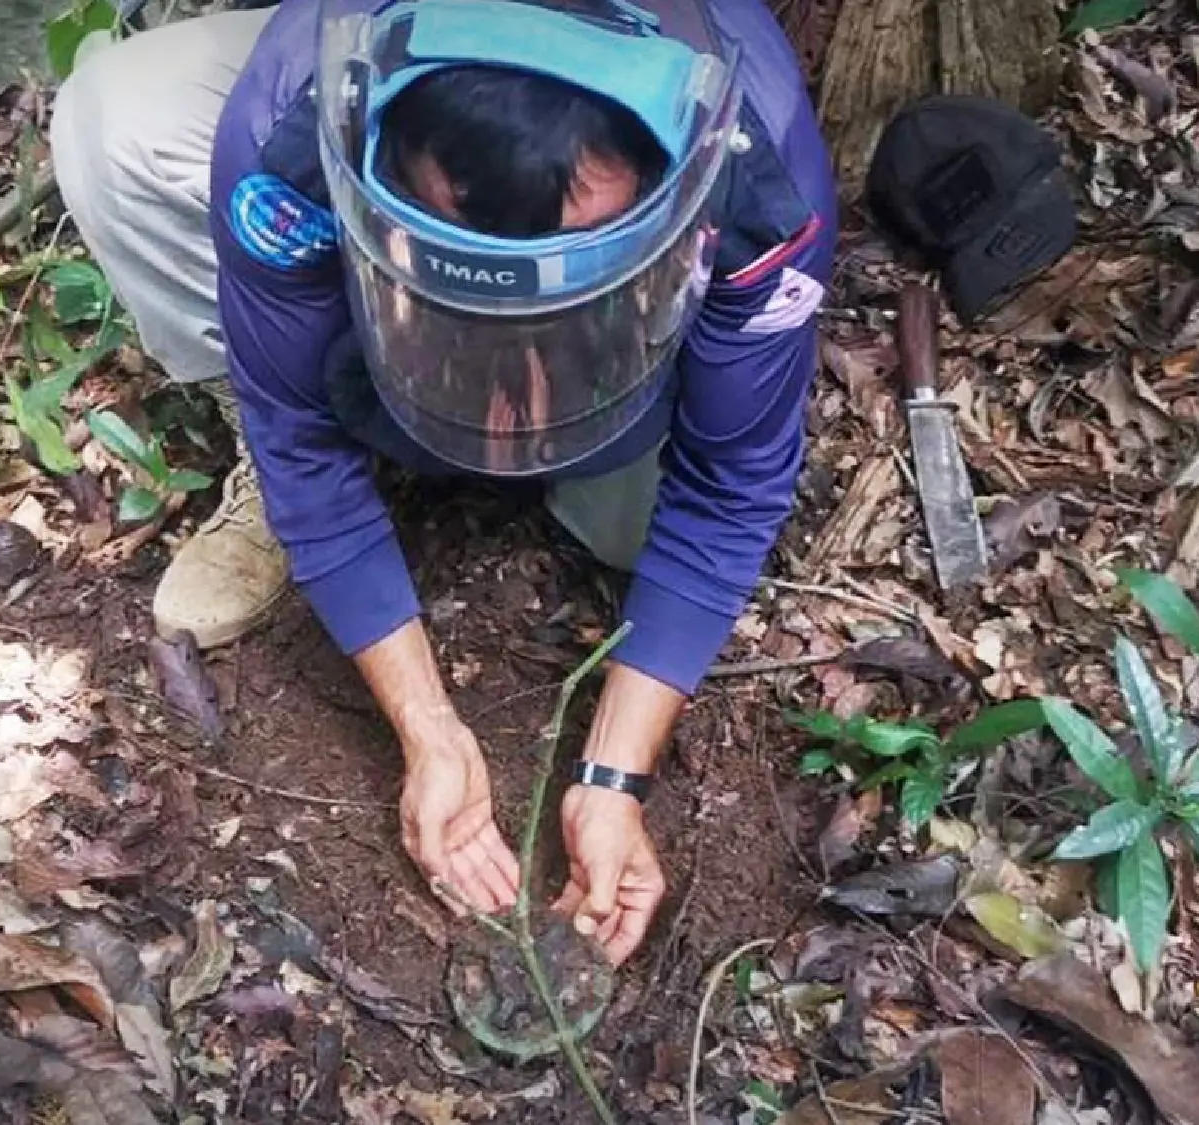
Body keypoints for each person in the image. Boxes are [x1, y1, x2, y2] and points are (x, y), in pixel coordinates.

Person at [52, 0, 836, 967]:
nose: (515, 399)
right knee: (113, 120)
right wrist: (428, 730)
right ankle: (357, 392)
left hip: (636, 379)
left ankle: (563, 381)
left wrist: (613, 776)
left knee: (638, 540)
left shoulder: (757, 176)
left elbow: (730, 483)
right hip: (362, 213)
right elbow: (296, 430)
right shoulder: (294, 127)